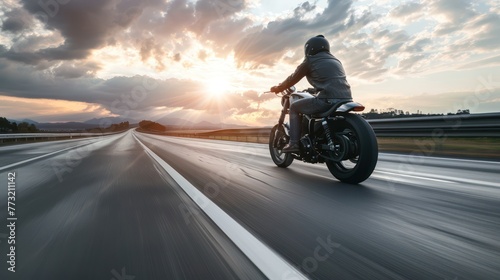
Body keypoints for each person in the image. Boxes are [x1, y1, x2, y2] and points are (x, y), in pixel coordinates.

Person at [270, 35, 353, 153]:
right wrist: (314, 89)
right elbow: (331, 80)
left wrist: (279, 88)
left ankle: (294, 143)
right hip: (346, 99)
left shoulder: (310, 60)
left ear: (309, 48)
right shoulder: (336, 61)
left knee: (294, 107)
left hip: (327, 99)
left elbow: (292, 78)